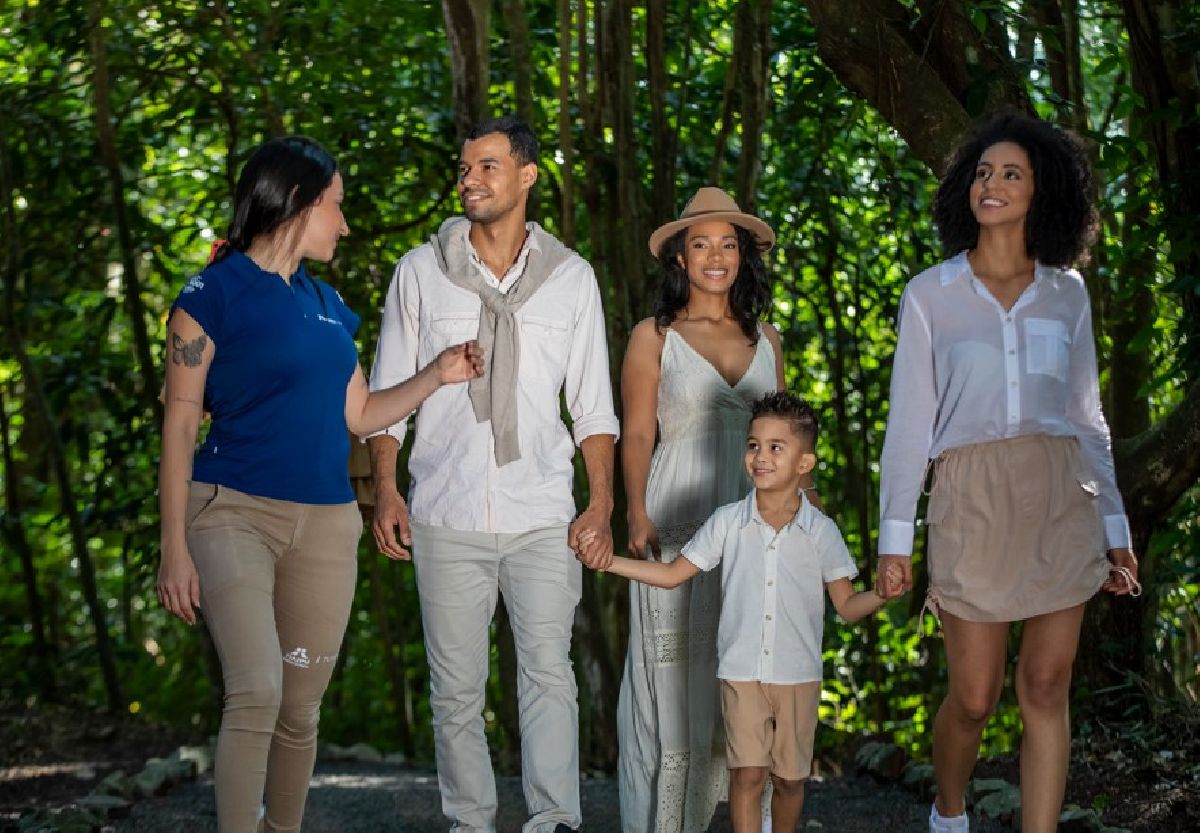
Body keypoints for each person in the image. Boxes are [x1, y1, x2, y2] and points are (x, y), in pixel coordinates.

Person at [156, 136, 483, 833]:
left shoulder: (330, 305)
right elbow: (180, 427)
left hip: (328, 526)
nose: (345, 223)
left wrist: (437, 373)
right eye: (336, 206)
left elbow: (360, 413)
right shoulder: (207, 296)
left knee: (301, 707)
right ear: (300, 204)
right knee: (257, 691)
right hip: (230, 515)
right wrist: (172, 546)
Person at [875, 113, 1141, 833]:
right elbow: (910, 426)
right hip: (972, 500)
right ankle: (949, 811)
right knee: (973, 696)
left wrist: (1115, 525)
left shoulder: (1068, 293)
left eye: (1010, 173)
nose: (991, 184)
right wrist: (894, 541)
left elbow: (1088, 419)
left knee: (1047, 684)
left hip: (1062, 494)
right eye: (983, 173)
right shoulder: (931, 295)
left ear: (1042, 191)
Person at [366, 115, 618, 833]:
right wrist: (386, 489)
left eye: (487, 166)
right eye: (464, 167)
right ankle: (469, 821)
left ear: (527, 176)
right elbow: (387, 397)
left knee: (548, 675)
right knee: (454, 689)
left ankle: (553, 820)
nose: (469, 179)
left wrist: (598, 506)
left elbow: (593, 406)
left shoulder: (571, 280)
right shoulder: (421, 271)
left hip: (539, 508)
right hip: (444, 508)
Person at [586, 392, 887, 833]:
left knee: (789, 780)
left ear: (805, 463)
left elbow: (846, 605)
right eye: (753, 445)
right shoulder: (726, 522)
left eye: (775, 448)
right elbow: (672, 574)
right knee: (746, 774)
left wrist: (880, 593)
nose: (759, 457)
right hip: (741, 671)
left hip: (798, 676)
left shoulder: (821, 531)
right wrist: (608, 561)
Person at [617, 186, 806, 832]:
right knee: (674, 695)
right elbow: (638, 431)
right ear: (680, 258)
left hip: (752, 536)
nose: (716, 256)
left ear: (743, 258)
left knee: (742, 694)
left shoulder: (768, 340)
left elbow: (784, 442)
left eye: (728, 244)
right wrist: (635, 512)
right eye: (701, 244)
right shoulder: (654, 336)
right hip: (676, 519)